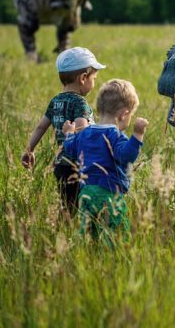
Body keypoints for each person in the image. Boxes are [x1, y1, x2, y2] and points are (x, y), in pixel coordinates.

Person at [21, 47, 105, 215]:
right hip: (78, 165)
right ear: (83, 78)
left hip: (60, 165)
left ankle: (62, 231)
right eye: (94, 78)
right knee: (81, 208)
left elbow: (41, 127)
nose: (94, 83)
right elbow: (82, 131)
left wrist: (29, 150)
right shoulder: (80, 104)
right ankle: (74, 235)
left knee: (66, 206)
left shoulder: (55, 101)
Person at [62, 79, 148, 243]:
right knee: (115, 238)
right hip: (109, 194)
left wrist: (69, 133)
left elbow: (70, 149)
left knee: (87, 235)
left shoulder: (84, 133)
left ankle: (86, 256)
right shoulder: (114, 136)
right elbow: (126, 156)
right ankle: (112, 261)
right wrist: (138, 134)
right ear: (123, 114)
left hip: (86, 192)